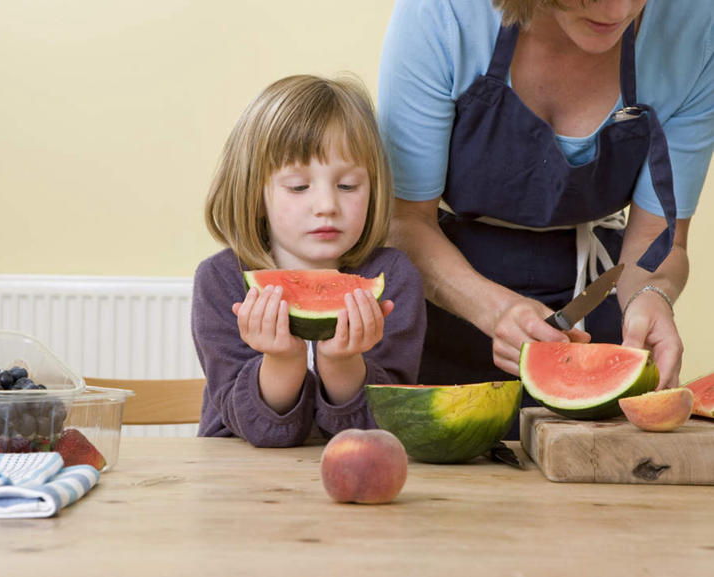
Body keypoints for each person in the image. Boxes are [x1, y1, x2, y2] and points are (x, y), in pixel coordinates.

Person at [378, 0, 714, 438]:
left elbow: (659, 238)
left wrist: (651, 295)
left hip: (592, 307)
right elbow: (403, 222)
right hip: (444, 306)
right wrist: (494, 308)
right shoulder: (442, 13)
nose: (618, 9)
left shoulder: (697, 24)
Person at [192, 74, 427, 447]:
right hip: (240, 483)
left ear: (374, 188)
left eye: (348, 185)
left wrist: (342, 363)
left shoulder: (392, 277)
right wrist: (283, 360)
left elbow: (384, 426)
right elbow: (258, 432)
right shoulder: (220, 280)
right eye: (299, 187)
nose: (327, 206)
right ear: (255, 193)